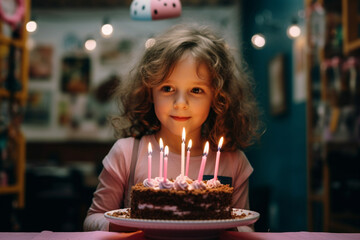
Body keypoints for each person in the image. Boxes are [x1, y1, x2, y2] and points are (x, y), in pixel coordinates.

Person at [83, 24, 261, 232]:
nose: (180, 103)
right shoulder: (126, 154)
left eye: (196, 90)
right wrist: (127, 223)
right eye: (167, 88)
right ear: (150, 92)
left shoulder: (233, 162)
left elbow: (245, 227)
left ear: (217, 97)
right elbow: (92, 220)